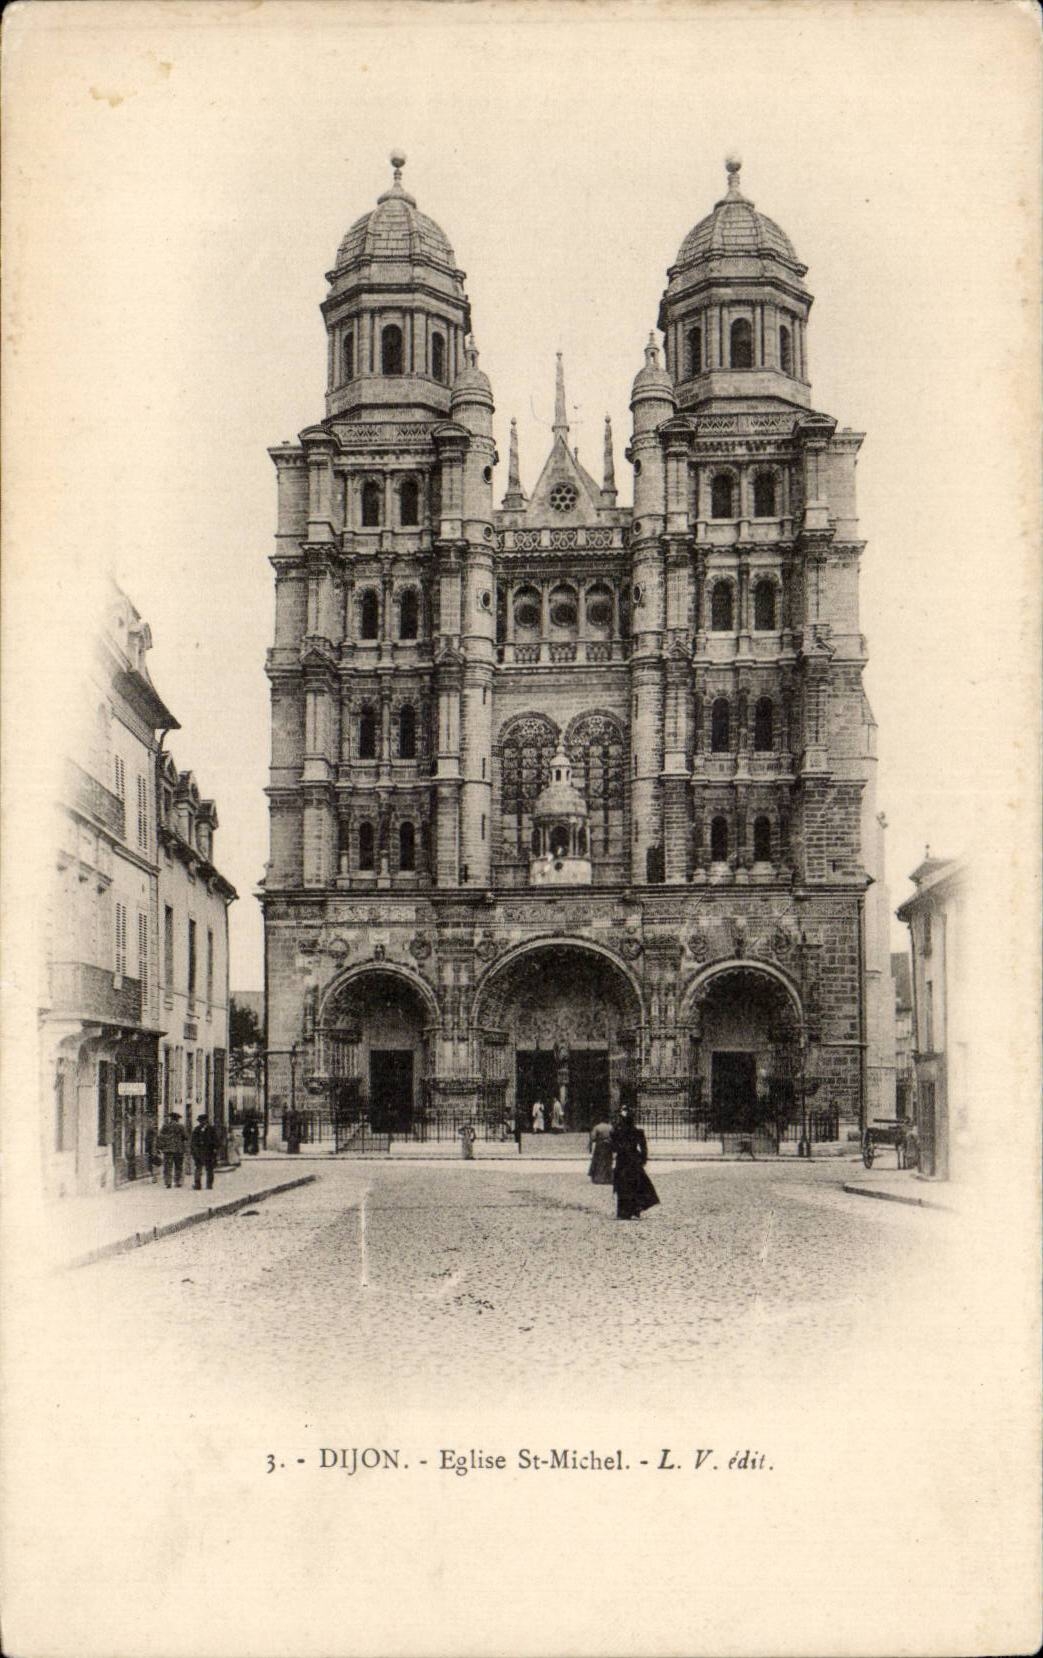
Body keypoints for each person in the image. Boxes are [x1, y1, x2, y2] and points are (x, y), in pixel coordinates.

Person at [609, 1107, 660, 1221]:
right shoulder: (638, 1132)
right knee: (635, 1185)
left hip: (622, 1160)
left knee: (622, 1185)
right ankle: (635, 1210)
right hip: (634, 1160)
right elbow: (644, 1149)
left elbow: (613, 1148)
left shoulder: (617, 1132)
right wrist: (642, 1160)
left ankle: (623, 1212)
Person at [158, 1112, 187, 1189]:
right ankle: (178, 1182)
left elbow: (160, 1136)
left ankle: (168, 1182)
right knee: (178, 1166)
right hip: (178, 1149)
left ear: (171, 1118)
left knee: (167, 1166)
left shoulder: (165, 1126)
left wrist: (162, 1146)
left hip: (167, 1150)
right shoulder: (181, 1126)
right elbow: (185, 1137)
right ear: (177, 1119)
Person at [190, 1113, 219, 1191]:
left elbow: (216, 1141)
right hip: (200, 1152)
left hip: (208, 1152)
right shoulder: (197, 1129)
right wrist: (193, 1151)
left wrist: (215, 1149)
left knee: (208, 1169)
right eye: (201, 1121)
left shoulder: (210, 1129)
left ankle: (208, 1185)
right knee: (199, 1168)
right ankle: (198, 1184)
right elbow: (193, 1142)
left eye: (202, 1121)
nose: (202, 1122)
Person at [588, 1118, 613, 1185]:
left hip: (600, 1145)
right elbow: (614, 1136)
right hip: (608, 1146)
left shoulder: (597, 1127)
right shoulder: (610, 1127)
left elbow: (593, 1137)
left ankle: (599, 1178)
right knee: (608, 1162)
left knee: (599, 1161)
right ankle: (608, 1178)